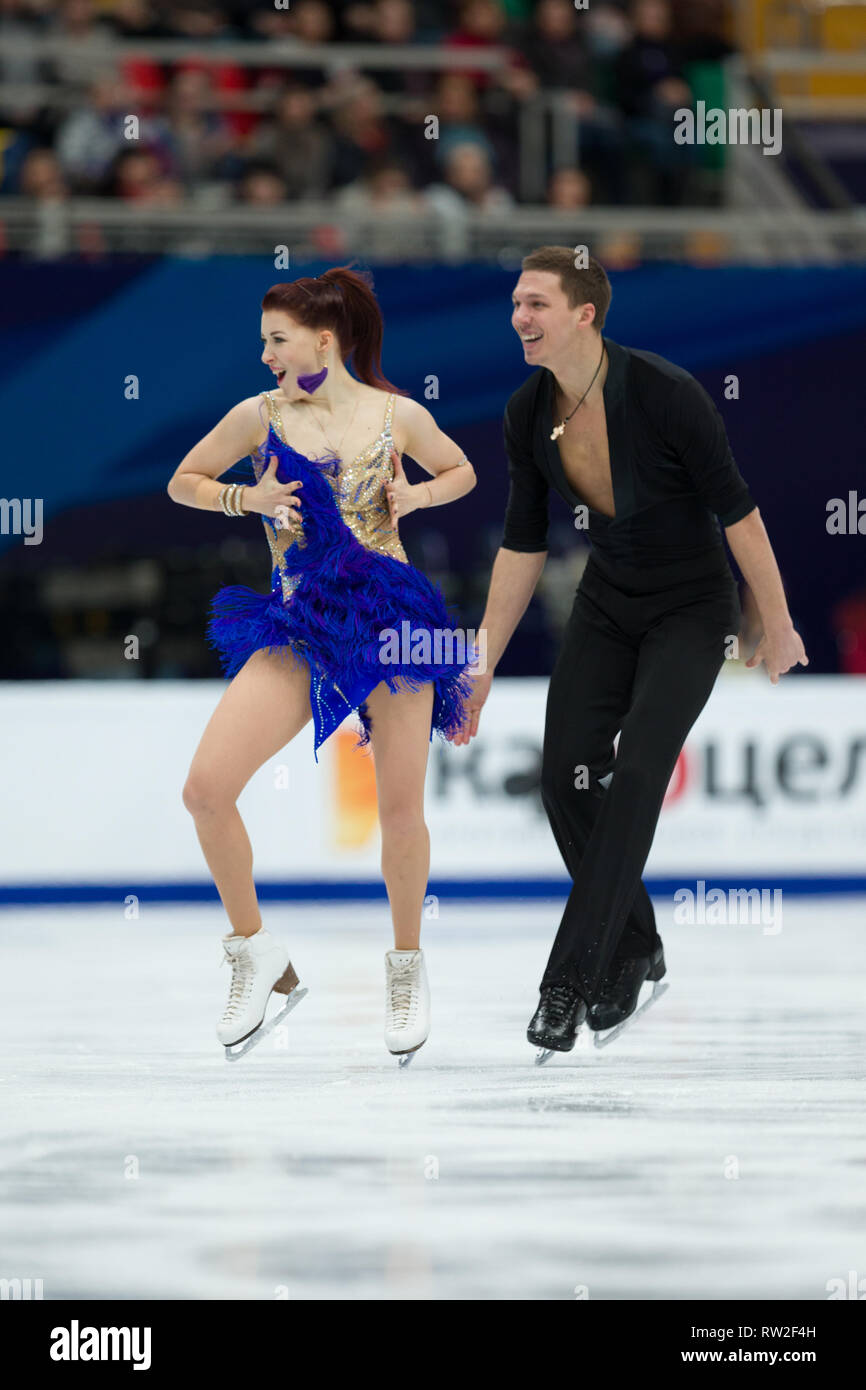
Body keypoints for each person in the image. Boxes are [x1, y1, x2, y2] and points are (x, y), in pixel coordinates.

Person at [454, 245, 808, 1057]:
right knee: (563, 775)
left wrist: (777, 621)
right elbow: (521, 544)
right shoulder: (524, 413)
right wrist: (482, 662)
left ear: (585, 314)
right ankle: (638, 948)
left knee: (641, 769)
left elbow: (740, 515)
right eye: (515, 303)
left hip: (692, 608)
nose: (520, 317)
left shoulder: (667, 394)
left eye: (536, 304)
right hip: (610, 604)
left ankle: (568, 982)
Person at [166, 266, 476, 1061]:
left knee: (400, 811)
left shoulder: (397, 414)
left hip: (394, 623)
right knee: (205, 791)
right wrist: (252, 501)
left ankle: (406, 967)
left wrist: (419, 500)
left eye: (277, 339)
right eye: (265, 340)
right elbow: (183, 482)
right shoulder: (258, 416)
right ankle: (258, 957)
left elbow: (462, 470)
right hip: (300, 621)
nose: (266, 353)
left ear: (324, 340)